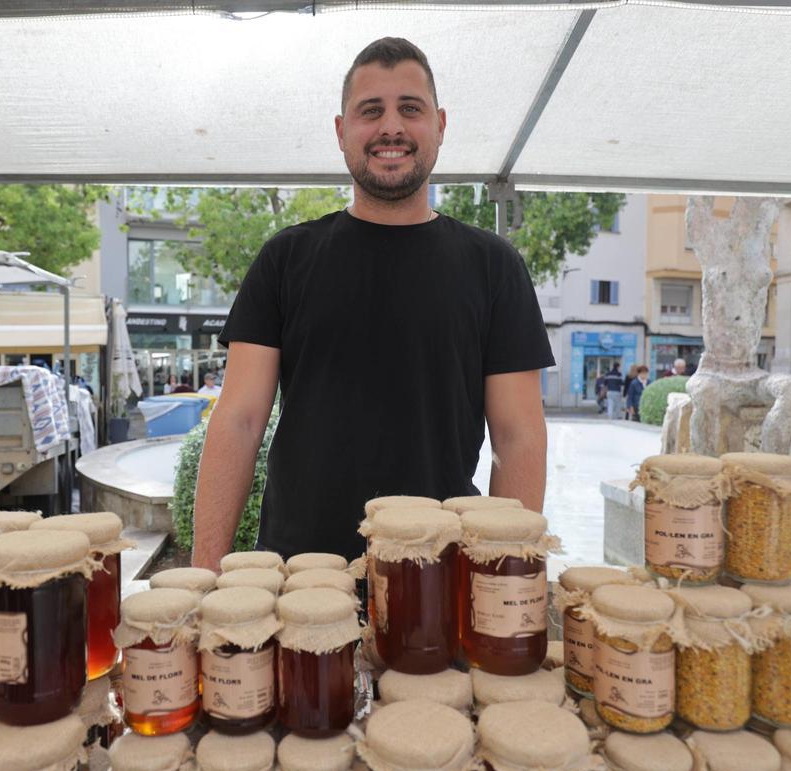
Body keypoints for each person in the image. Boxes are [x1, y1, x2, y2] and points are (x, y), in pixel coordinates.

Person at [191, 38, 554, 568]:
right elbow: (239, 422)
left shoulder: (494, 266)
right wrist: (205, 574)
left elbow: (518, 438)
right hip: (300, 576)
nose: (392, 127)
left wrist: (503, 576)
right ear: (342, 132)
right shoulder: (285, 258)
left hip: (438, 577)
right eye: (371, 111)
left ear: (440, 125)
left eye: (411, 108)